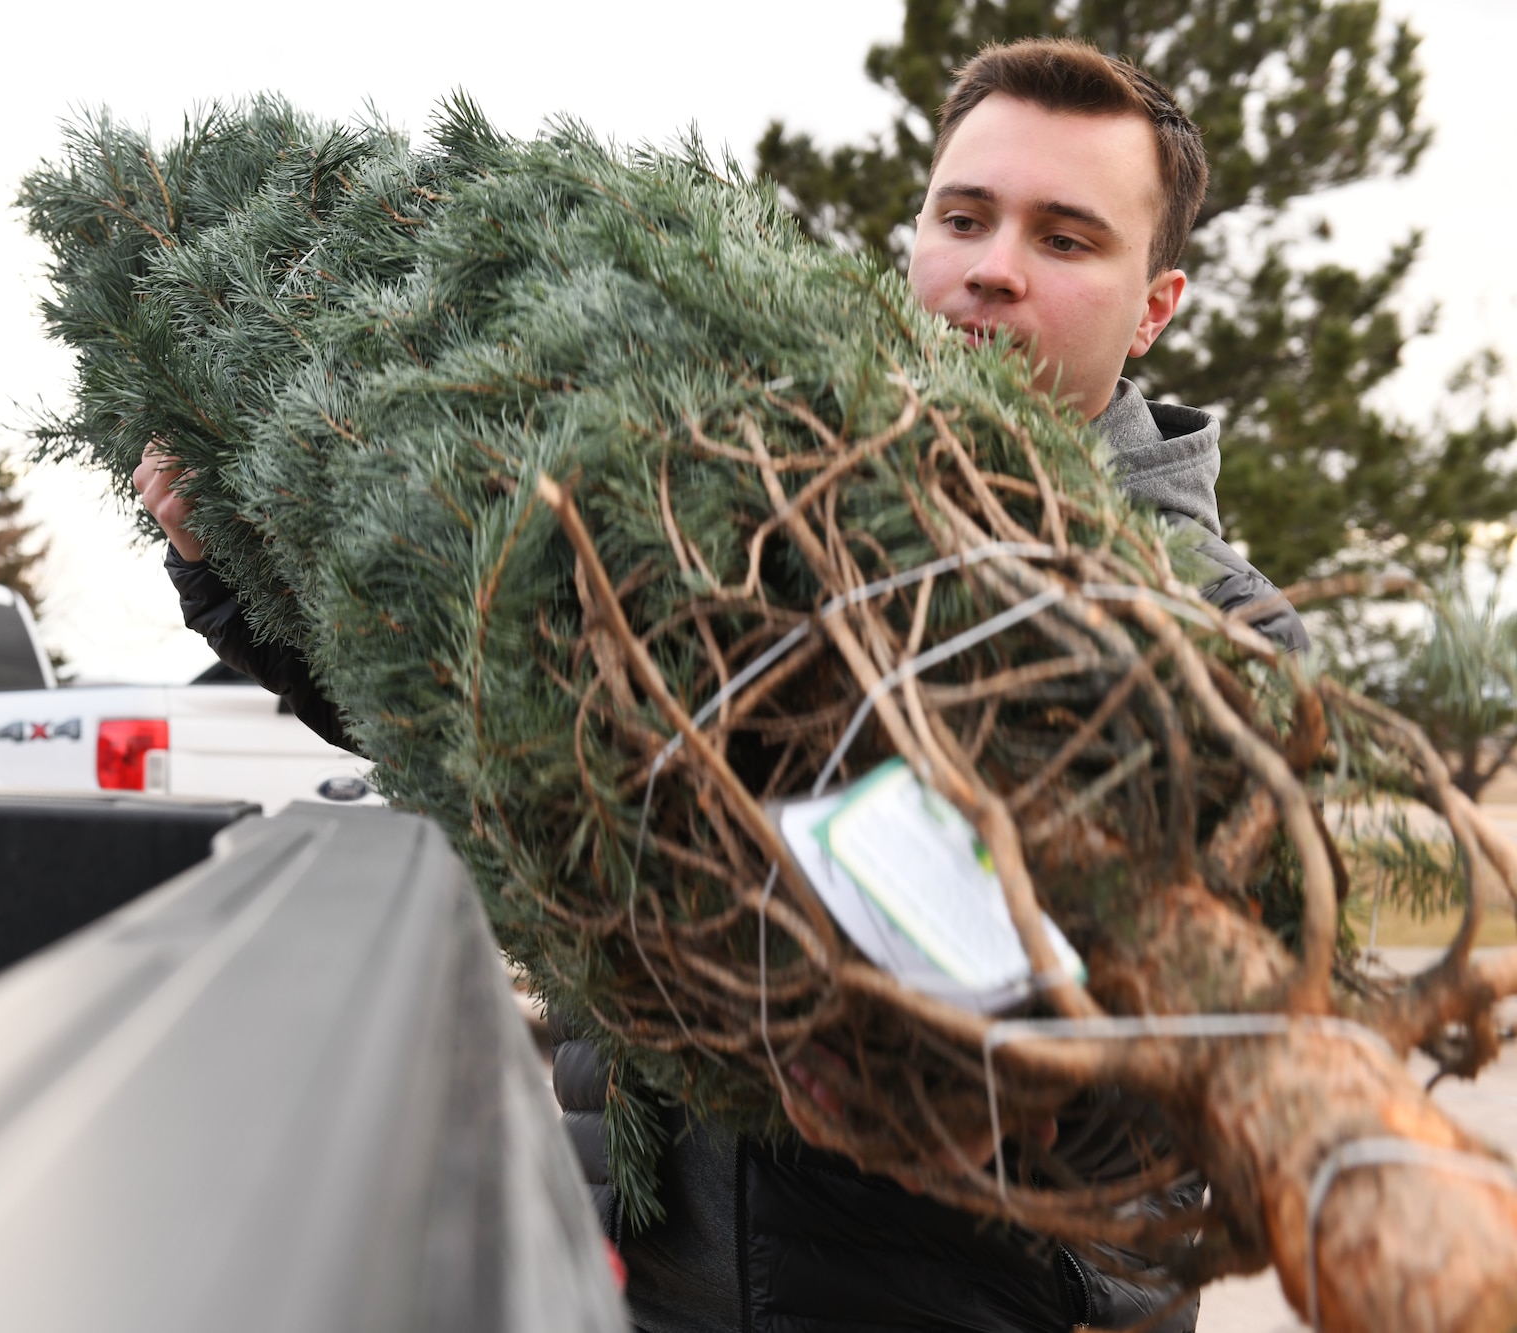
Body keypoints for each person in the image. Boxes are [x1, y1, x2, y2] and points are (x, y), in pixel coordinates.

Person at [134, 37, 1305, 1331]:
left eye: (1067, 237)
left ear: (1156, 304)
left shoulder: (1217, 636)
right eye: (963, 216)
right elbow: (489, 738)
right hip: (647, 1263)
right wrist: (228, 574)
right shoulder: (730, 517)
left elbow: (1112, 1040)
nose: (993, 266)